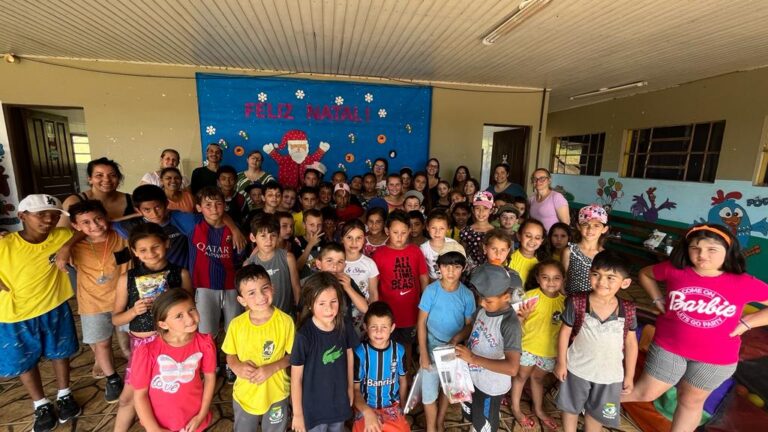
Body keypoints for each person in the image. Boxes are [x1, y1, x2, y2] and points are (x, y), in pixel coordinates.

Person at [623, 224, 768, 431]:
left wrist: (747, 323)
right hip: (669, 347)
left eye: (712, 249)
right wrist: (657, 299)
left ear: (727, 251)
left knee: (690, 402)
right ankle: (596, 403)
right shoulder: (675, 270)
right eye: (695, 248)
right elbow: (646, 274)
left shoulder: (743, 282)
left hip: (716, 358)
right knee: (646, 392)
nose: (702, 255)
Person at [0, 195, 81, 431]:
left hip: (53, 306)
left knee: (60, 353)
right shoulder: (5, 244)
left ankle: (65, 394)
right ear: (21, 216)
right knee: (25, 361)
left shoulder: (60, 236)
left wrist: (67, 246)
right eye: (41, 214)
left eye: (54, 215)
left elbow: (83, 231)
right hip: (14, 315)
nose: (49, 219)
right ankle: (40, 404)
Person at [112, 223, 193, 432]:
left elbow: (190, 314)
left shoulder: (179, 274)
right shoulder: (127, 278)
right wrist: (134, 311)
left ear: (166, 244)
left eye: (155, 247)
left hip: (173, 345)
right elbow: (116, 319)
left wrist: (172, 305)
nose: (151, 254)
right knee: (127, 398)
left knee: (170, 394)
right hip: (142, 347)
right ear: (135, 252)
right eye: (143, 250)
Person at [555, 251, 638, 432]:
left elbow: (631, 344)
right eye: (596, 275)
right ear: (589, 274)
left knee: (596, 412)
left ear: (625, 283)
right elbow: (564, 333)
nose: (601, 282)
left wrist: (629, 375)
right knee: (571, 407)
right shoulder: (577, 302)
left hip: (609, 375)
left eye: (610, 278)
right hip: (577, 369)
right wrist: (561, 362)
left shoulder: (628, 309)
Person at [68, 200, 129, 404]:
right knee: (102, 344)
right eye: (85, 222)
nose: (93, 225)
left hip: (123, 299)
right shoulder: (73, 247)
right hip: (92, 303)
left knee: (133, 339)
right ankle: (112, 378)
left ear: (106, 217)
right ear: (76, 226)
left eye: (97, 219)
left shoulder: (120, 237)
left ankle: (138, 371)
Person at [132, 289, 216, 432]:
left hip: (193, 420)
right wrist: (154, 429)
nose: (190, 318)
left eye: (192, 309)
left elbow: (209, 378)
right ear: (164, 324)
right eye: (179, 316)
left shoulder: (205, 343)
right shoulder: (147, 351)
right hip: (160, 424)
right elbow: (140, 395)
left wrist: (200, 416)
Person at [223, 264, 295, 432]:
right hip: (245, 394)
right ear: (241, 300)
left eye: (265, 288)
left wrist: (272, 367)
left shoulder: (285, 321)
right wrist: (236, 366)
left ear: (273, 288)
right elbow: (230, 354)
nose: (261, 296)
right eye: (251, 293)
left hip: (277, 392)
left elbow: (293, 356)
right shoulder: (236, 325)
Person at [455, 264, 523, 432]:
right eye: (480, 297)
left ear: (506, 297)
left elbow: (512, 368)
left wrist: (472, 358)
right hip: (472, 377)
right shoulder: (483, 309)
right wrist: (456, 338)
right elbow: (473, 327)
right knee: (473, 413)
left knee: (485, 423)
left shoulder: (509, 324)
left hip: (491, 386)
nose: (481, 302)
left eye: (488, 300)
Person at [290, 272, 359, 432]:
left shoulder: (344, 325)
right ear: (309, 304)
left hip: (339, 399)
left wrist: (350, 388)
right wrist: (298, 414)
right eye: (321, 303)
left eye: (333, 301)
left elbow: (349, 356)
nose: (329, 308)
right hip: (314, 406)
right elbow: (296, 378)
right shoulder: (304, 336)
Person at [417, 250, 475, 432]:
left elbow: (469, 326)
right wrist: (424, 353)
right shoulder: (431, 291)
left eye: (456, 267)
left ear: (463, 269)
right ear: (439, 268)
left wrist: (456, 339)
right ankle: (431, 427)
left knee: (447, 388)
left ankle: (440, 420)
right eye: (446, 266)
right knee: (428, 392)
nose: (450, 271)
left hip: (454, 349)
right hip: (432, 344)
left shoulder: (467, 295)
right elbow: (421, 322)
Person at [510, 260, 566, 431]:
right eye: (546, 277)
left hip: (549, 351)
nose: (551, 282)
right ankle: (516, 408)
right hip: (527, 347)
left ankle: (539, 409)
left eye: (556, 278)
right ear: (538, 278)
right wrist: (522, 317)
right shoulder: (529, 297)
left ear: (563, 280)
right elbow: (514, 322)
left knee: (538, 378)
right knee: (520, 377)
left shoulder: (565, 302)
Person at [373, 210, 429, 368]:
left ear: (409, 231)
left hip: (411, 312)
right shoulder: (379, 254)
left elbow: (423, 277)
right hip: (388, 314)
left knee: (407, 348)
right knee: (385, 346)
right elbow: (374, 286)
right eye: (395, 232)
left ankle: (405, 376)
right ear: (387, 231)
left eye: (403, 232)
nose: (399, 236)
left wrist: (425, 305)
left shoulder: (415, 251)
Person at [189, 187, 244, 341]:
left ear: (225, 205)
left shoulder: (235, 230)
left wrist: (234, 229)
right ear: (199, 208)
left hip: (231, 285)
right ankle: (211, 364)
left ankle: (231, 363)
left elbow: (240, 256)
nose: (213, 208)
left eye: (218, 204)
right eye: (208, 205)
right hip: (205, 285)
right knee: (207, 332)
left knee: (234, 329)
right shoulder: (193, 224)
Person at [352, 302, 409, 432]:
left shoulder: (399, 351)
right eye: (374, 327)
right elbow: (355, 390)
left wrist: (403, 406)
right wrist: (367, 412)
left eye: (384, 327)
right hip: (366, 406)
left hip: (392, 407)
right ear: (365, 327)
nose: (379, 332)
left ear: (392, 327)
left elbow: (403, 380)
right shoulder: (360, 353)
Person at [243, 216, 301, 315]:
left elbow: (296, 287)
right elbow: (248, 297)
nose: (269, 240)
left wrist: (300, 312)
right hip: (261, 318)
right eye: (263, 236)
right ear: (253, 237)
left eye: (273, 235)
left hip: (286, 316)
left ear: (278, 236)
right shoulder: (249, 264)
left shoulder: (288, 258)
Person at [60, 157, 134, 226]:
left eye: (112, 175)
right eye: (99, 175)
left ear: (119, 179)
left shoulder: (132, 200)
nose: (107, 180)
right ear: (90, 179)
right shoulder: (74, 201)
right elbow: (60, 235)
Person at [311, 243, 369, 327]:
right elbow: (302, 312)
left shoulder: (346, 281)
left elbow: (365, 308)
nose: (335, 266)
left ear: (344, 266)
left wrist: (348, 288)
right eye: (329, 260)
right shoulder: (311, 283)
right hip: (318, 330)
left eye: (340, 262)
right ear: (319, 264)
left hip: (343, 330)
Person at [342, 220, 380, 333]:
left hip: (362, 316)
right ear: (341, 238)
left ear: (364, 239)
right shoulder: (336, 262)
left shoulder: (369, 264)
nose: (354, 242)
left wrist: (372, 318)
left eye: (359, 238)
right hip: (340, 316)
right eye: (349, 237)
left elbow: (373, 293)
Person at [563, 205, 609, 295]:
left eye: (596, 225)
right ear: (578, 226)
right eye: (585, 224)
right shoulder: (569, 251)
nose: (590, 229)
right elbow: (561, 277)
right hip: (571, 300)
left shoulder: (605, 256)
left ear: (604, 229)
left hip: (593, 302)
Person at [420, 210, 461, 281]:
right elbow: (423, 271)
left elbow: (459, 265)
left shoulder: (453, 244)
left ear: (448, 229)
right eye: (433, 228)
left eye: (441, 228)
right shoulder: (423, 248)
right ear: (427, 227)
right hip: (432, 281)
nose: (437, 232)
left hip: (451, 281)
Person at [460, 191, 495, 272]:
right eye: (477, 208)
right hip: (471, 272)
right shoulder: (466, 231)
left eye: (485, 208)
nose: (481, 212)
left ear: (491, 210)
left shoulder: (495, 232)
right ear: (473, 209)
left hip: (490, 271)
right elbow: (462, 254)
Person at [509, 219, 548, 290]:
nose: (532, 240)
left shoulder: (543, 263)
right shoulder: (509, 259)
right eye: (528, 236)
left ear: (542, 241)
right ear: (519, 236)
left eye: (537, 238)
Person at [293, 208, 326, 277]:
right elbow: (297, 267)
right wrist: (310, 245)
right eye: (312, 225)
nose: (316, 229)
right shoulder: (297, 241)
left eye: (319, 225)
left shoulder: (324, 241)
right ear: (304, 225)